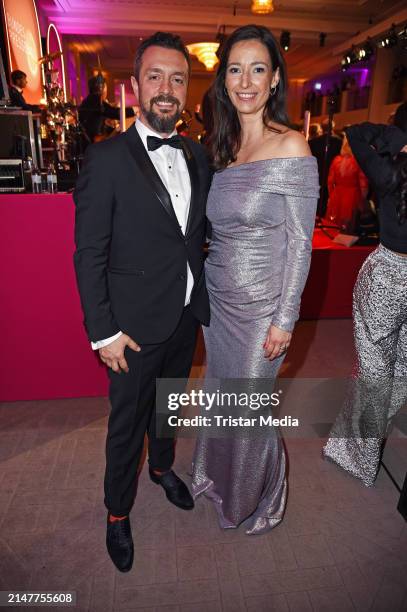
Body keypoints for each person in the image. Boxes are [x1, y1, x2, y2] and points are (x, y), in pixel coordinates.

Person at [73, 32, 211, 572]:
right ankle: (117, 511)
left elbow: (194, 235)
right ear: (134, 86)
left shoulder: (198, 153)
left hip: (182, 316)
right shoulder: (106, 158)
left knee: (169, 405)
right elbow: (89, 254)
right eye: (155, 76)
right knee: (126, 424)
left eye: (178, 78)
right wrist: (103, 332)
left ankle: (162, 468)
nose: (167, 89)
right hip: (129, 328)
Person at [191, 24, 319, 534]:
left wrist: (285, 319)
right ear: (223, 80)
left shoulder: (293, 148)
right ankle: (213, 476)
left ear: (274, 80)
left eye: (258, 69)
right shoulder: (222, 150)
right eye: (235, 69)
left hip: (264, 310)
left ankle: (253, 498)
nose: (246, 80)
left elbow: (301, 244)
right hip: (218, 302)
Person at [323, 121, 407, 486]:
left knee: (375, 375)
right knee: (399, 371)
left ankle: (359, 454)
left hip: (386, 279)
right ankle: (361, 439)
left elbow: (355, 132)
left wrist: (398, 140)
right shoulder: (389, 174)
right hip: (391, 282)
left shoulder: (389, 174)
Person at [325, 134, 368, 233]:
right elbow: (363, 185)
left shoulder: (336, 160)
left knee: (333, 226)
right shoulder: (358, 161)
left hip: (337, 194)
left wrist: (332, 195)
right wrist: (363, 199)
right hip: (353, 195)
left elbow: (330, 181)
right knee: (349, 225)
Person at [78, 75, 135, 143]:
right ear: (101, 88)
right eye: (105, 87)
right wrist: (133, 110)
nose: (106, 92)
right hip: (95, 142)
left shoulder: (88, 100)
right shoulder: (97, 101)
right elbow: (115, 113)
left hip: (87, 141)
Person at [309, 117, 342, 217]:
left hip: (317, 174)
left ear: (322, 129)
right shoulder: (338, 142)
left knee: (317, 199)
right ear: (333, 127)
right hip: (332, 175)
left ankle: (317, 215)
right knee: (328, 198)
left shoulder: (313, 142)